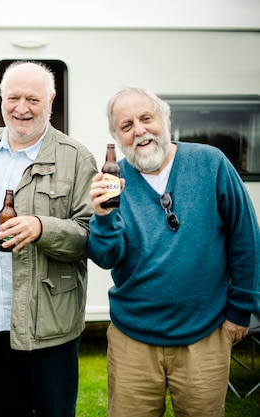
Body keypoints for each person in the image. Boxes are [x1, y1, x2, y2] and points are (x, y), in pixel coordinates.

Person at [87, 86, 260, 417]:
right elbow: (107, 256)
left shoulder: (210, 163)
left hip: (204, 336)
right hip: (132, 339)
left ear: (164, 119)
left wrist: (240, 311)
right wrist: (103, 216)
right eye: (126, 126)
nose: (139, 130)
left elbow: (246, 237)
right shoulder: (114, 179)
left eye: (146, 118)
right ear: (116, 136)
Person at [0, 61, 97, 417]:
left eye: (32, 99)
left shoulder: (76, 158)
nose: (21, 108)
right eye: (13, 98)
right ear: (0, 98)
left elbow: (91, 236)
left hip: (50, 325)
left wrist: (43, 228)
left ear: (51, 100)